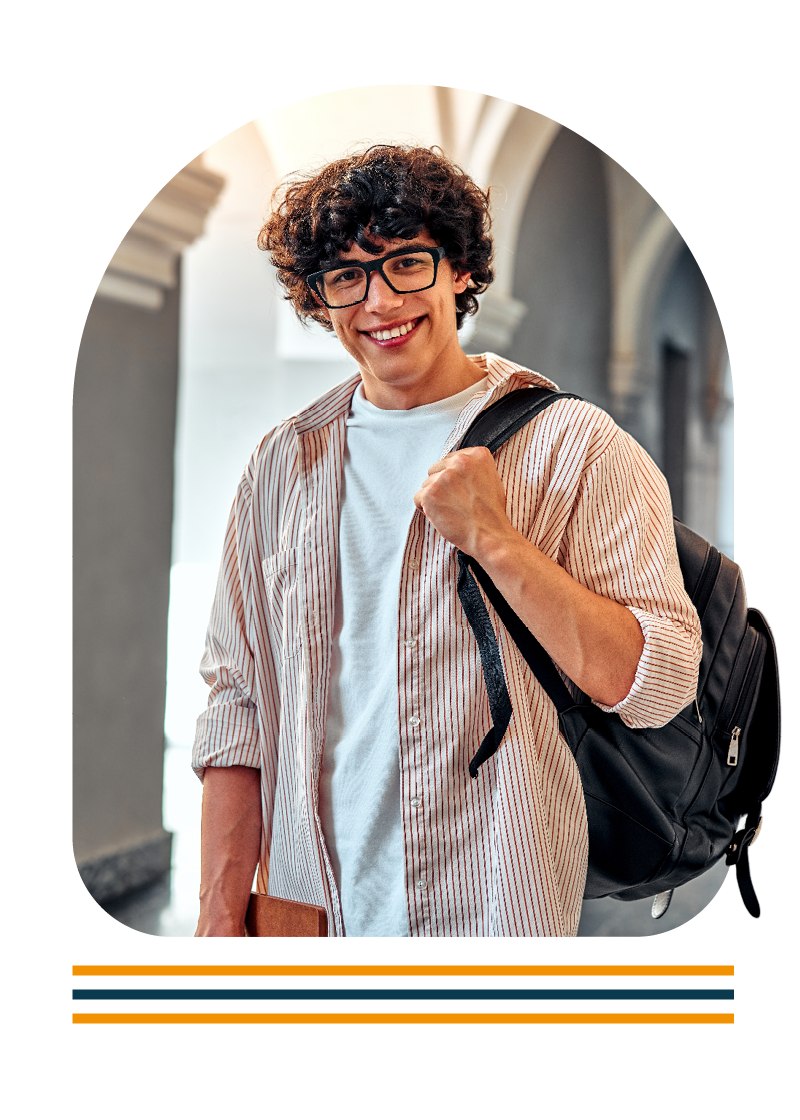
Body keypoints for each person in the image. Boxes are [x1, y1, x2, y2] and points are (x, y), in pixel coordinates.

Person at [193, 144, 702, 937]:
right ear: (320, 300)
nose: (378, 302)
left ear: (458, 268)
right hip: (308, 921)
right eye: (346, 278)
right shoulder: (283, 464)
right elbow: (239, 702)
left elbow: (659, 682)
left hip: (494, 916)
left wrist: (497, 540)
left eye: (405, 263)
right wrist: (219, 925)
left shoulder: (578, 448)